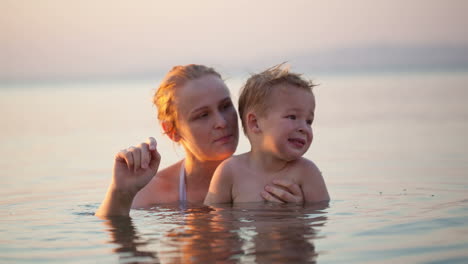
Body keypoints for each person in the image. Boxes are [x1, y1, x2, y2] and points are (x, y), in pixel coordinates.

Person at [95, 64, 306, 217]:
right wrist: (120, 192)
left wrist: (296, 216)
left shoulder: (276, 177)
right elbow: (112, 239)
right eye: (203, 115)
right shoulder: (152, 192)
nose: (221, 122)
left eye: (225, 106)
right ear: (171, 131)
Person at [204, 64, 330, 205]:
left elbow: (321, 219)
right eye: (292, 117)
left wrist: (299, 214)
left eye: (309, 121)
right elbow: (215, 222)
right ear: (255, 123)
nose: (304, 128)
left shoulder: (307, 173)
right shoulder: (230, 172)